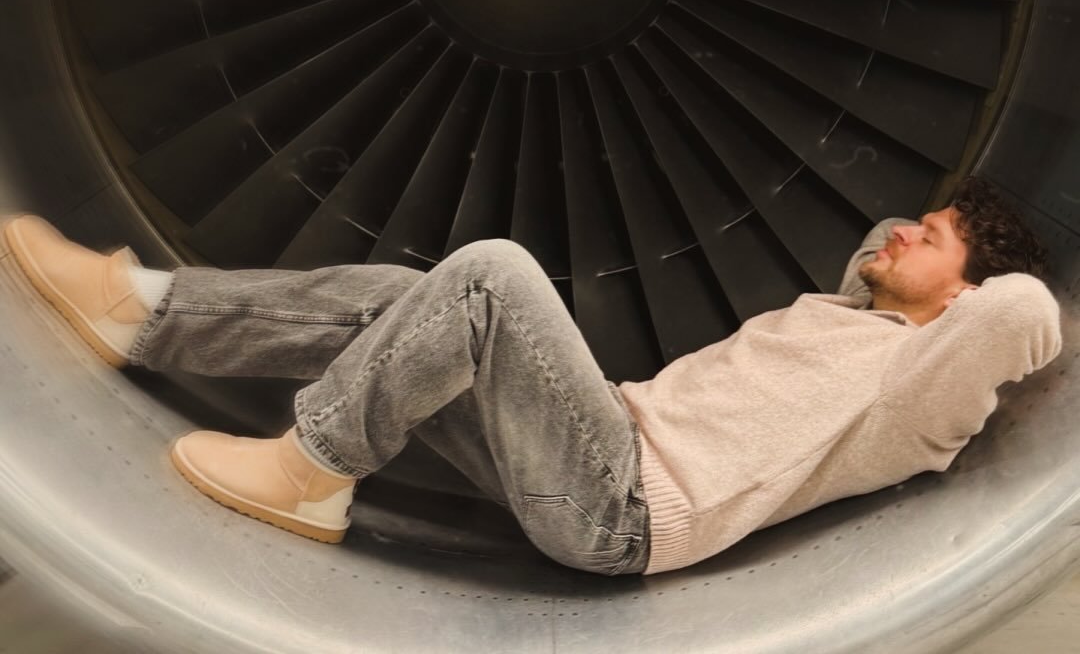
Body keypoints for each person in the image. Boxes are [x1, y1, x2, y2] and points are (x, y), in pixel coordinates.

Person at [1, 176, 1062, 576]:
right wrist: (925, 247)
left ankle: (314, 467)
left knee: (492, 276)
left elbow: (1023, 311)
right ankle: (140, 311)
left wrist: (972, 275)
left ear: (964, 300)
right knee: (403, 296)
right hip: (598, 447)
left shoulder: (918, 391)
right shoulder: (851, 316)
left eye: (928, 238)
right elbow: (882, 246)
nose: (897, 233)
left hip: (622, 509)